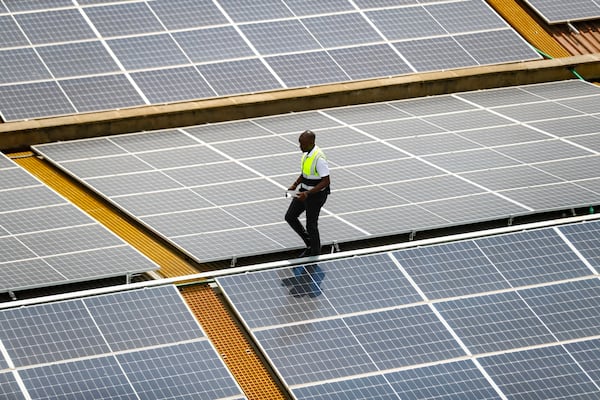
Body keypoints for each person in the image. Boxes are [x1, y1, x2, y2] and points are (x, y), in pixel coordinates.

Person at [285, 129, 330, 258]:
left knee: (311, 224)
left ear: (311, 142)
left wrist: (309, 193)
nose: (300, 147)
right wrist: (295, 184)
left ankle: (315, 253)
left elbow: (326, 181)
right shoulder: (306, 155)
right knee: (290, 216)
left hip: (315, 196)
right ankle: (310, 244)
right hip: (303, 192)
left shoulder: (319, 158)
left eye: (302, 144)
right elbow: (305, 173)